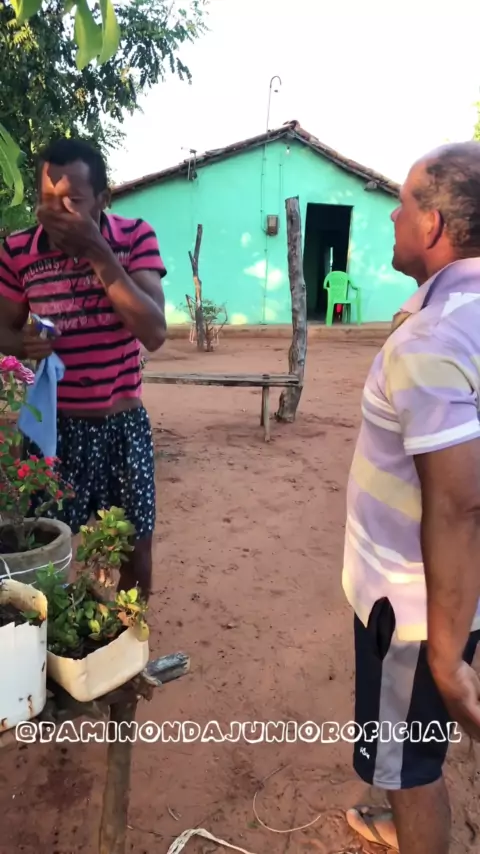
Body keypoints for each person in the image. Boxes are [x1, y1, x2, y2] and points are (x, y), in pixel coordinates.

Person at [343, 142, 480, 854]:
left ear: (433, 225)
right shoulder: (453, 316)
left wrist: (447, 657)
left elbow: (457, 505)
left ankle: (414, 827)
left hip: (415, 607)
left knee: (409, 765)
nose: (392, 217)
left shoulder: (432, 338)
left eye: (401, 205)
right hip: (456, 592)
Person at [0, 138, 167, 600]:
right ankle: (50, 638)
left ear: (102, 200)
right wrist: (24, 342)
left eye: (72, 200)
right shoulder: (18, 251)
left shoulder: (134, 237)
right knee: (42, 554)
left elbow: (154, 331)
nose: (56, 213)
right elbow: (2, 330)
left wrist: (97, 251)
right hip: (51, 431)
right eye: (47, 200)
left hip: (122, 427)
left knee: (136, 550)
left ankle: (130, 635)